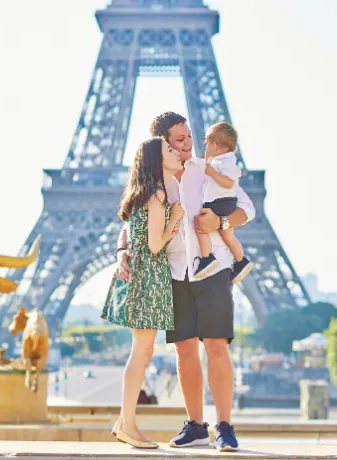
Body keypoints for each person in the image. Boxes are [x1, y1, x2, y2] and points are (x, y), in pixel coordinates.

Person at [116, 112, 255, 452]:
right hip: (174, 272)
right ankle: (196, 425)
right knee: (185, 350)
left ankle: (224, 425)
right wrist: (121, 249)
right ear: (163, 143)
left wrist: (220, 219)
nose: (188, 144)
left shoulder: (204, 170)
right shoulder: (154, 181)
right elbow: (131, 220)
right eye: (179, 140)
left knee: (218, 346)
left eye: (190, 137)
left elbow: (247, 209)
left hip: (214, 268)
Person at [102, 137, 185, 449]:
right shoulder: (158, 195)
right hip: (148, 278)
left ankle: (125, 421)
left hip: (141, 277)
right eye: (169, 150)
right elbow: (154, 245)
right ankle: (129, 425)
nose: (176, 153)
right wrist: (174, 219)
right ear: (156, 160)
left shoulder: (143, 193)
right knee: (141, 353)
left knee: (143, 351)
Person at [194, 122, 253, 284]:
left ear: (215, 145)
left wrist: (220, 221)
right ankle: (241, 261)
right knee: (228, 236)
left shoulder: (224, 164)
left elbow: (230, 184)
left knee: (200, 226)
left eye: (207, 143)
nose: (204, 146)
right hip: (222, 202)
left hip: (219, 203)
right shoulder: (217, 162)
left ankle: (207, 258)